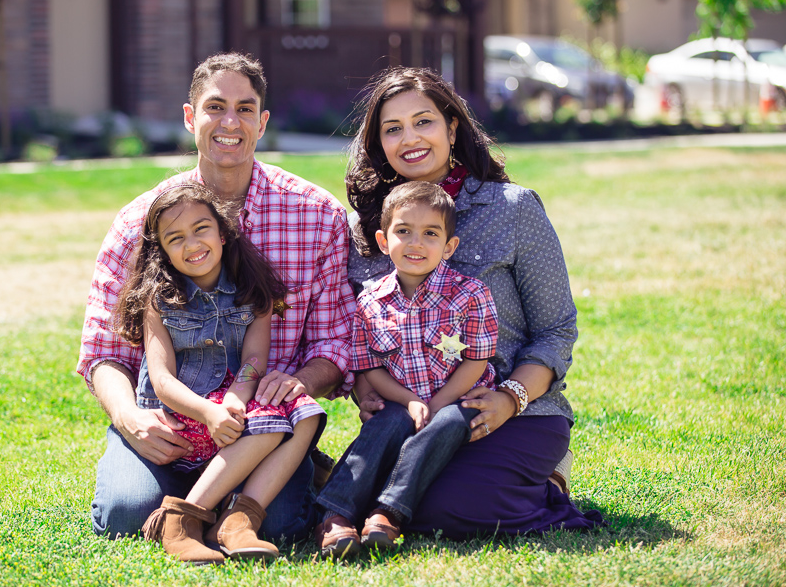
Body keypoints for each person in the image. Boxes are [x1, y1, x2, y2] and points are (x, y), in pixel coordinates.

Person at [78, 52, 356, 545]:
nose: (231, 123)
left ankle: (268, 484)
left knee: (282, 525)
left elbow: (337, 342)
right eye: (215, 107)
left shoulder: (318, 215)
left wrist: (295, 383)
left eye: (246, 109)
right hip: (168, 427)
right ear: (190, 118)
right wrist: (129, 417)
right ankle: (186, 495)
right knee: (124, 516)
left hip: (257, 429)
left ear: (262, 122)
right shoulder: (140, 221)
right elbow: (103, 351)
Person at [340, 66, 605, 540]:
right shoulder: (371, 229)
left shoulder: (513, 208)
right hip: (410, 417)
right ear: (378, 143)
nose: (410, 139)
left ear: (452, 128)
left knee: (444, 511)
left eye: (424, 121)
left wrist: (510, 398)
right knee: (394, 500)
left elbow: (556, 331)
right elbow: (359, 334)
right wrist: (367, 392)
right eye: (392, 129)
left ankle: (548, 482)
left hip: (507, 413)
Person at [112, 183, 326, 563]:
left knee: (306, 414)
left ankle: (237, 520)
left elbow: (255, 360)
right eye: (175, 238)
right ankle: (179, 520)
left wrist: (235, 398)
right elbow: (161, 381)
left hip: (228, 412)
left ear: (223, 234)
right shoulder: (158, 301)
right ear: (161, 250)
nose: (192, 244)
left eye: (201, 229)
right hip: (182, 419)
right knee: (275, 426)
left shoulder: (252, 291)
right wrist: (207, 412)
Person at [315, 181, 499, 558]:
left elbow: (476, 358)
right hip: (401, 398)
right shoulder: (369, 302)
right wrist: (412, 401)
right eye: (404, 232)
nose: (416, 243)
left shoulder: (470, 294)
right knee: (387, 422)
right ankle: (335, 514)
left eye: (430, 234)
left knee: (448, 422)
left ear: (449, 246)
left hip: (459, 398)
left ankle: (387, 512)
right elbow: (370, 367)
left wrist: (440, 403)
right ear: (384, 241)